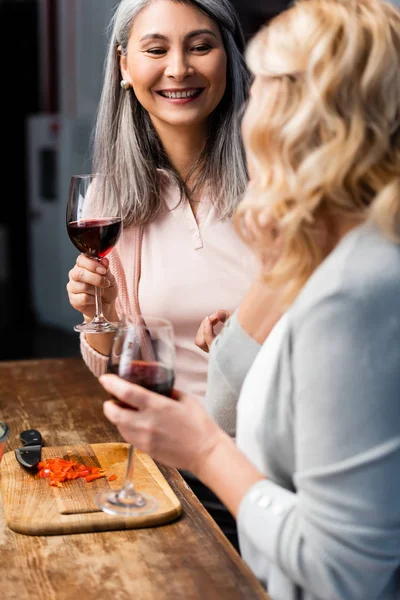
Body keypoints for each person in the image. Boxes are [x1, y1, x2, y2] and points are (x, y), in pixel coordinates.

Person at [98, 0, 400, 598]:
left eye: (262, 85)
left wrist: (205, 449)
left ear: (305, 113)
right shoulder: (331, 252)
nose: (245, 107)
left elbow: (344, 567)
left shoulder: (353, 289)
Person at [66, 0, 255, 550]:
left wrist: (255, 338)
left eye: (200, 46)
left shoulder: (279, 179)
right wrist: (95, 316)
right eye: (156, 49)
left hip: (271, 463)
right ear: (125, 66)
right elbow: (124, 369)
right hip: (168, 468)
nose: (178, 69)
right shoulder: (109, 198)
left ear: (229, 59)